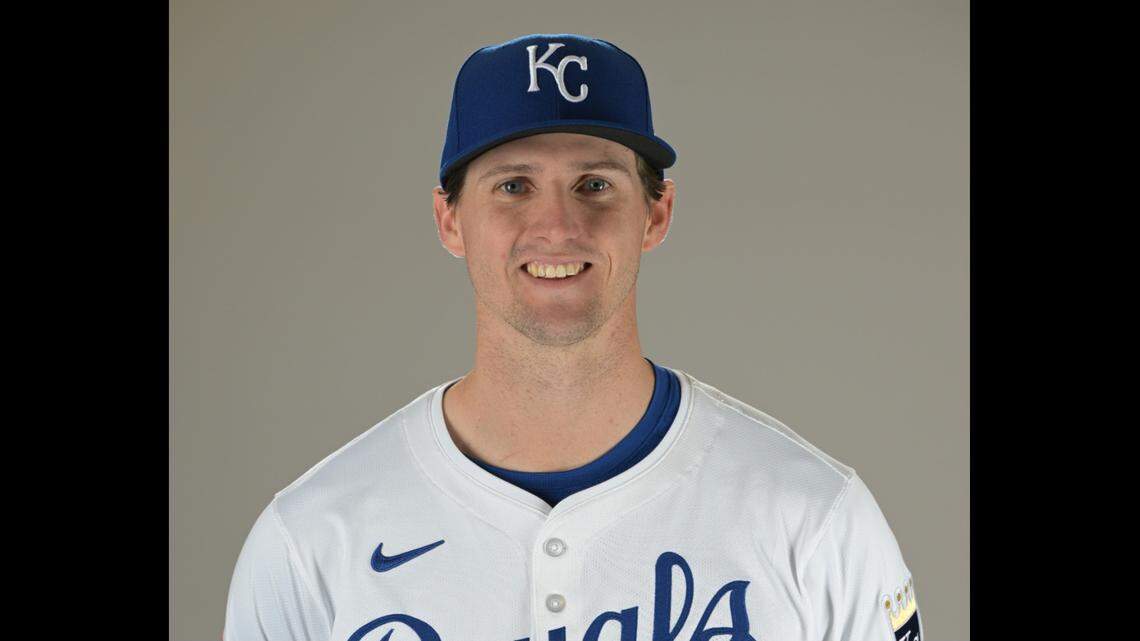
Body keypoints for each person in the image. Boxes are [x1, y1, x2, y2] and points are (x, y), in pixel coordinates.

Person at [224, 32, 923, 641]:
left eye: (594, 184)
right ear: (449, 219)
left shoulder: (814, 517)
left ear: (656, 213)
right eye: (513, 186)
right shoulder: (311, 539)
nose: (557, 227)